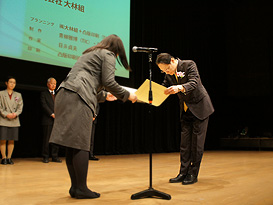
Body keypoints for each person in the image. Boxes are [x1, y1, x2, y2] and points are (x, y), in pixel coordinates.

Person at [49, 34, 137, 199]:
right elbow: (109, 82)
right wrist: (127, 95)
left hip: (64, 94)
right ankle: (81, 188)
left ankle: (75, 188)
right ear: (117, 50)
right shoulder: (109, 54)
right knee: (82, 143)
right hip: (78, 97)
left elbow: (87, 81)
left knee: (71, 144)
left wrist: (105, 96)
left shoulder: (89, 53)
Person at [156, 53, 214, 185]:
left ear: (172, 61)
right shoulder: (168, 73)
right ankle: (183, 172)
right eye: (163, 71)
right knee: (185, 144)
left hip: (200, 108)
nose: (166, 72)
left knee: (196, 144)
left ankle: (193, 174)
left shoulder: (189, 65)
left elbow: (194, 82)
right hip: (186, 110)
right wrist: (154, 92)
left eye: (167, 69)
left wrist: (180, 87)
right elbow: (163, 86)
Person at [0, 76, 23, 165]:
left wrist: (15, 114)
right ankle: (3, 157)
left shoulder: (18, 95)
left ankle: (9, 157)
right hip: (3, 119)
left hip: (14, 119)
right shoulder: (1, 94)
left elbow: (20, 107)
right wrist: (6, 114)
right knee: (3, 139)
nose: (12, 84)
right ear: (6, 83)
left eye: (14, 82)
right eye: (11, 82)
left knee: (11, 139)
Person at [40, 77, 62, 163]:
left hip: (57, 120)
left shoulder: (58, 94)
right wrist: (52, 114)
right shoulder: (44, 94)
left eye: (55, 84)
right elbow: (44, 105)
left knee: (56, 139)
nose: (53, 85)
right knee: (46, 139)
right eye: (52, 83)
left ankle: (55, 156)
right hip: (48, 119)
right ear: (48, 84)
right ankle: (45, 156)